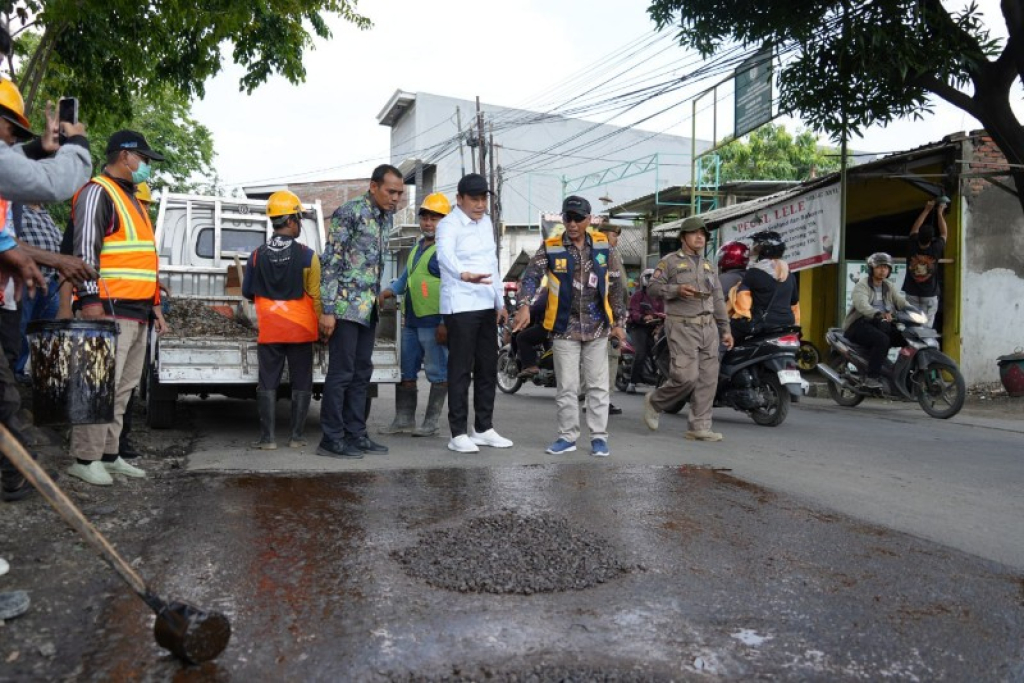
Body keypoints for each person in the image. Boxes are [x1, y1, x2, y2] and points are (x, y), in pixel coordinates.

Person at [0, 74, 91, 503]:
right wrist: (76, 146)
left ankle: (14, 473)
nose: (11, 141)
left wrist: (39, 149)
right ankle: (16, 473)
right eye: (12, 130)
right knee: (4, 396)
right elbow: (53, 183)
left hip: (6, 298)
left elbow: (14, 165)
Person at [66, 130, 169, 486]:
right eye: (143, 158)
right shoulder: (98, 192)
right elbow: (84, 253)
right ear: (125, 156)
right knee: (97, 386)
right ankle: (84, 458)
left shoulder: (133, 199)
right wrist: (90, 301)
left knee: (122, 390)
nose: (145, 167)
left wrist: (154, 304)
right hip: (106, 310)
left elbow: (143, 261)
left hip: (135, 312)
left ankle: (110, 455)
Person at [513, 196, 626, 457]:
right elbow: (531, 277)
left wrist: (619, 323)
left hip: (598, 328)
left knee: (598, 386)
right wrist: (524, 304)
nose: (572, 223)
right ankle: (567, 436)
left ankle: (599, 437)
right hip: (564, 328)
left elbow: (617, 286)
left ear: (589, 219)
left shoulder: (603, 247)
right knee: (567, 386)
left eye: (578, 218)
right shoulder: (551, 247)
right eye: (568, 218)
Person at [317, 164, 403, 459]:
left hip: (368, 308)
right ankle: (331, 438)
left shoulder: (385, 218)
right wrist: (327, 309)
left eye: (399, 193)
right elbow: (331, 263)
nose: (396, 198)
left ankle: (356, 434)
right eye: (391, 191)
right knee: (341, 373)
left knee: (362, 373)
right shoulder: (349, 212)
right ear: (373, 186)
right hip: (343, 307)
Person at [436, 173, 513, 453]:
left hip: (484, 303)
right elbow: (443, 255)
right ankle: (457, 433)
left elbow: (492, 262)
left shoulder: (486, 223)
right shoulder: (448, 224)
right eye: (474, 199)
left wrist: (500, 301)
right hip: (460, 304)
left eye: (483, 199)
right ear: (460, 199)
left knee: (487, 367)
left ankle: (483, 428)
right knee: (460, 369)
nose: (480, 205)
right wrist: (462, 273)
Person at [242, 190, 321, 450]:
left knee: (267, 382)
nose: (299, 224)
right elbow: (316, 295)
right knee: (301, 381)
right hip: (301, 331)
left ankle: (267, 439)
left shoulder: (255, 255)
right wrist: (322, 325)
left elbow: (247, 293)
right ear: (289, 221)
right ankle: (297, 437)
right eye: (298, 218)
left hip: (271, 330)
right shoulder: (308, 256)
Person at [642, 216, 733, 442]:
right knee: (686, 377)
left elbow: (718, 299)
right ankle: (655, 401)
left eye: (703, 234)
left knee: (708, 379)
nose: (700, 237)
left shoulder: (709, 266)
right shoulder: (670, 262)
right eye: (694, 233)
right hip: (682, 325)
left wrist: (725, 328)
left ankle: (699, 426)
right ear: (684, 237)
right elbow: (652, 288)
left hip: (708, 327)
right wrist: (676, 290)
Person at [378, 192, 451, 438]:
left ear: (445, 221)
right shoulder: (416, 247)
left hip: (433, 322)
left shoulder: (446, 250)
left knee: (437, 372)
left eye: (435, 218)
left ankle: (431, 423)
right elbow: (405, 279)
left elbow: (453, 288)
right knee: (406, 371)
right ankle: (403, 420)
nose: (429, 223)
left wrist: (445, 322)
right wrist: (387, 292)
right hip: (411, 320)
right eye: (425, 218)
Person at [843, 252, 912, 390]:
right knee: (882, 340)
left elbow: (900, 301)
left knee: (907, 339)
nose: (883, 270)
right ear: (871, 269)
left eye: (886, 267)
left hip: (880, 324)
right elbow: (862, 305)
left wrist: (913, 311)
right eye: (879, 267)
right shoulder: (862, 285)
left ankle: (903, 375)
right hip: (858, 325)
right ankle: (871, 378)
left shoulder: (888, 286)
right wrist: (878, 313)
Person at [14, 203, 63, 379]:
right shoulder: (18, 210)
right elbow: (12, 242)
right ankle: (16, 371)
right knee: (21, 328)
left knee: (44, 331)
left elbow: (59, 241)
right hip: (25, 281)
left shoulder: (45, 213)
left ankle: (35, 372)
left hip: (49, 283)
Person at [730, 230, 799, 341]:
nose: (753, 249)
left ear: (764, 250)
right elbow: (794, 303)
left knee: (727, 332)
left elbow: (743, 305)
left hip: (764, 324)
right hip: (787, 323)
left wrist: (739, 318)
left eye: (756, 247)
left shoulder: (754, 273)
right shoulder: (789, 274)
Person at [902, 197, 947, 328]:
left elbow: (914, 228)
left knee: (911, 326)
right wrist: (940, 212)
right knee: (926, 329)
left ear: (918, 236)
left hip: (911, 293)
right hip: (929, 295)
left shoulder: (912, 245)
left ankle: (912, 348)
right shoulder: (936, 248)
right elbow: (944, 233)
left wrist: (926, 210)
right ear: (931, 239)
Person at [598, 222, 625, 415]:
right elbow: (616, 289)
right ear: (606, 235)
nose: (616, 239)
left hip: (611, 314)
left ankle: (594, 399)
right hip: (607, 316)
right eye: (614, 235)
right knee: (609, 358)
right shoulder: (604, 254)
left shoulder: (612, 254)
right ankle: (601, 400)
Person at [625, 268, 664, 394]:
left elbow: (666, 311)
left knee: (660, 353)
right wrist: (643, 317)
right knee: (641, 352)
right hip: (638, 327)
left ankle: (659, 382)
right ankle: (632, 382)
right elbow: (634, 312)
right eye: (651, 278)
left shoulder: (661, 297)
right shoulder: (638, 295)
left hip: (654, 327)